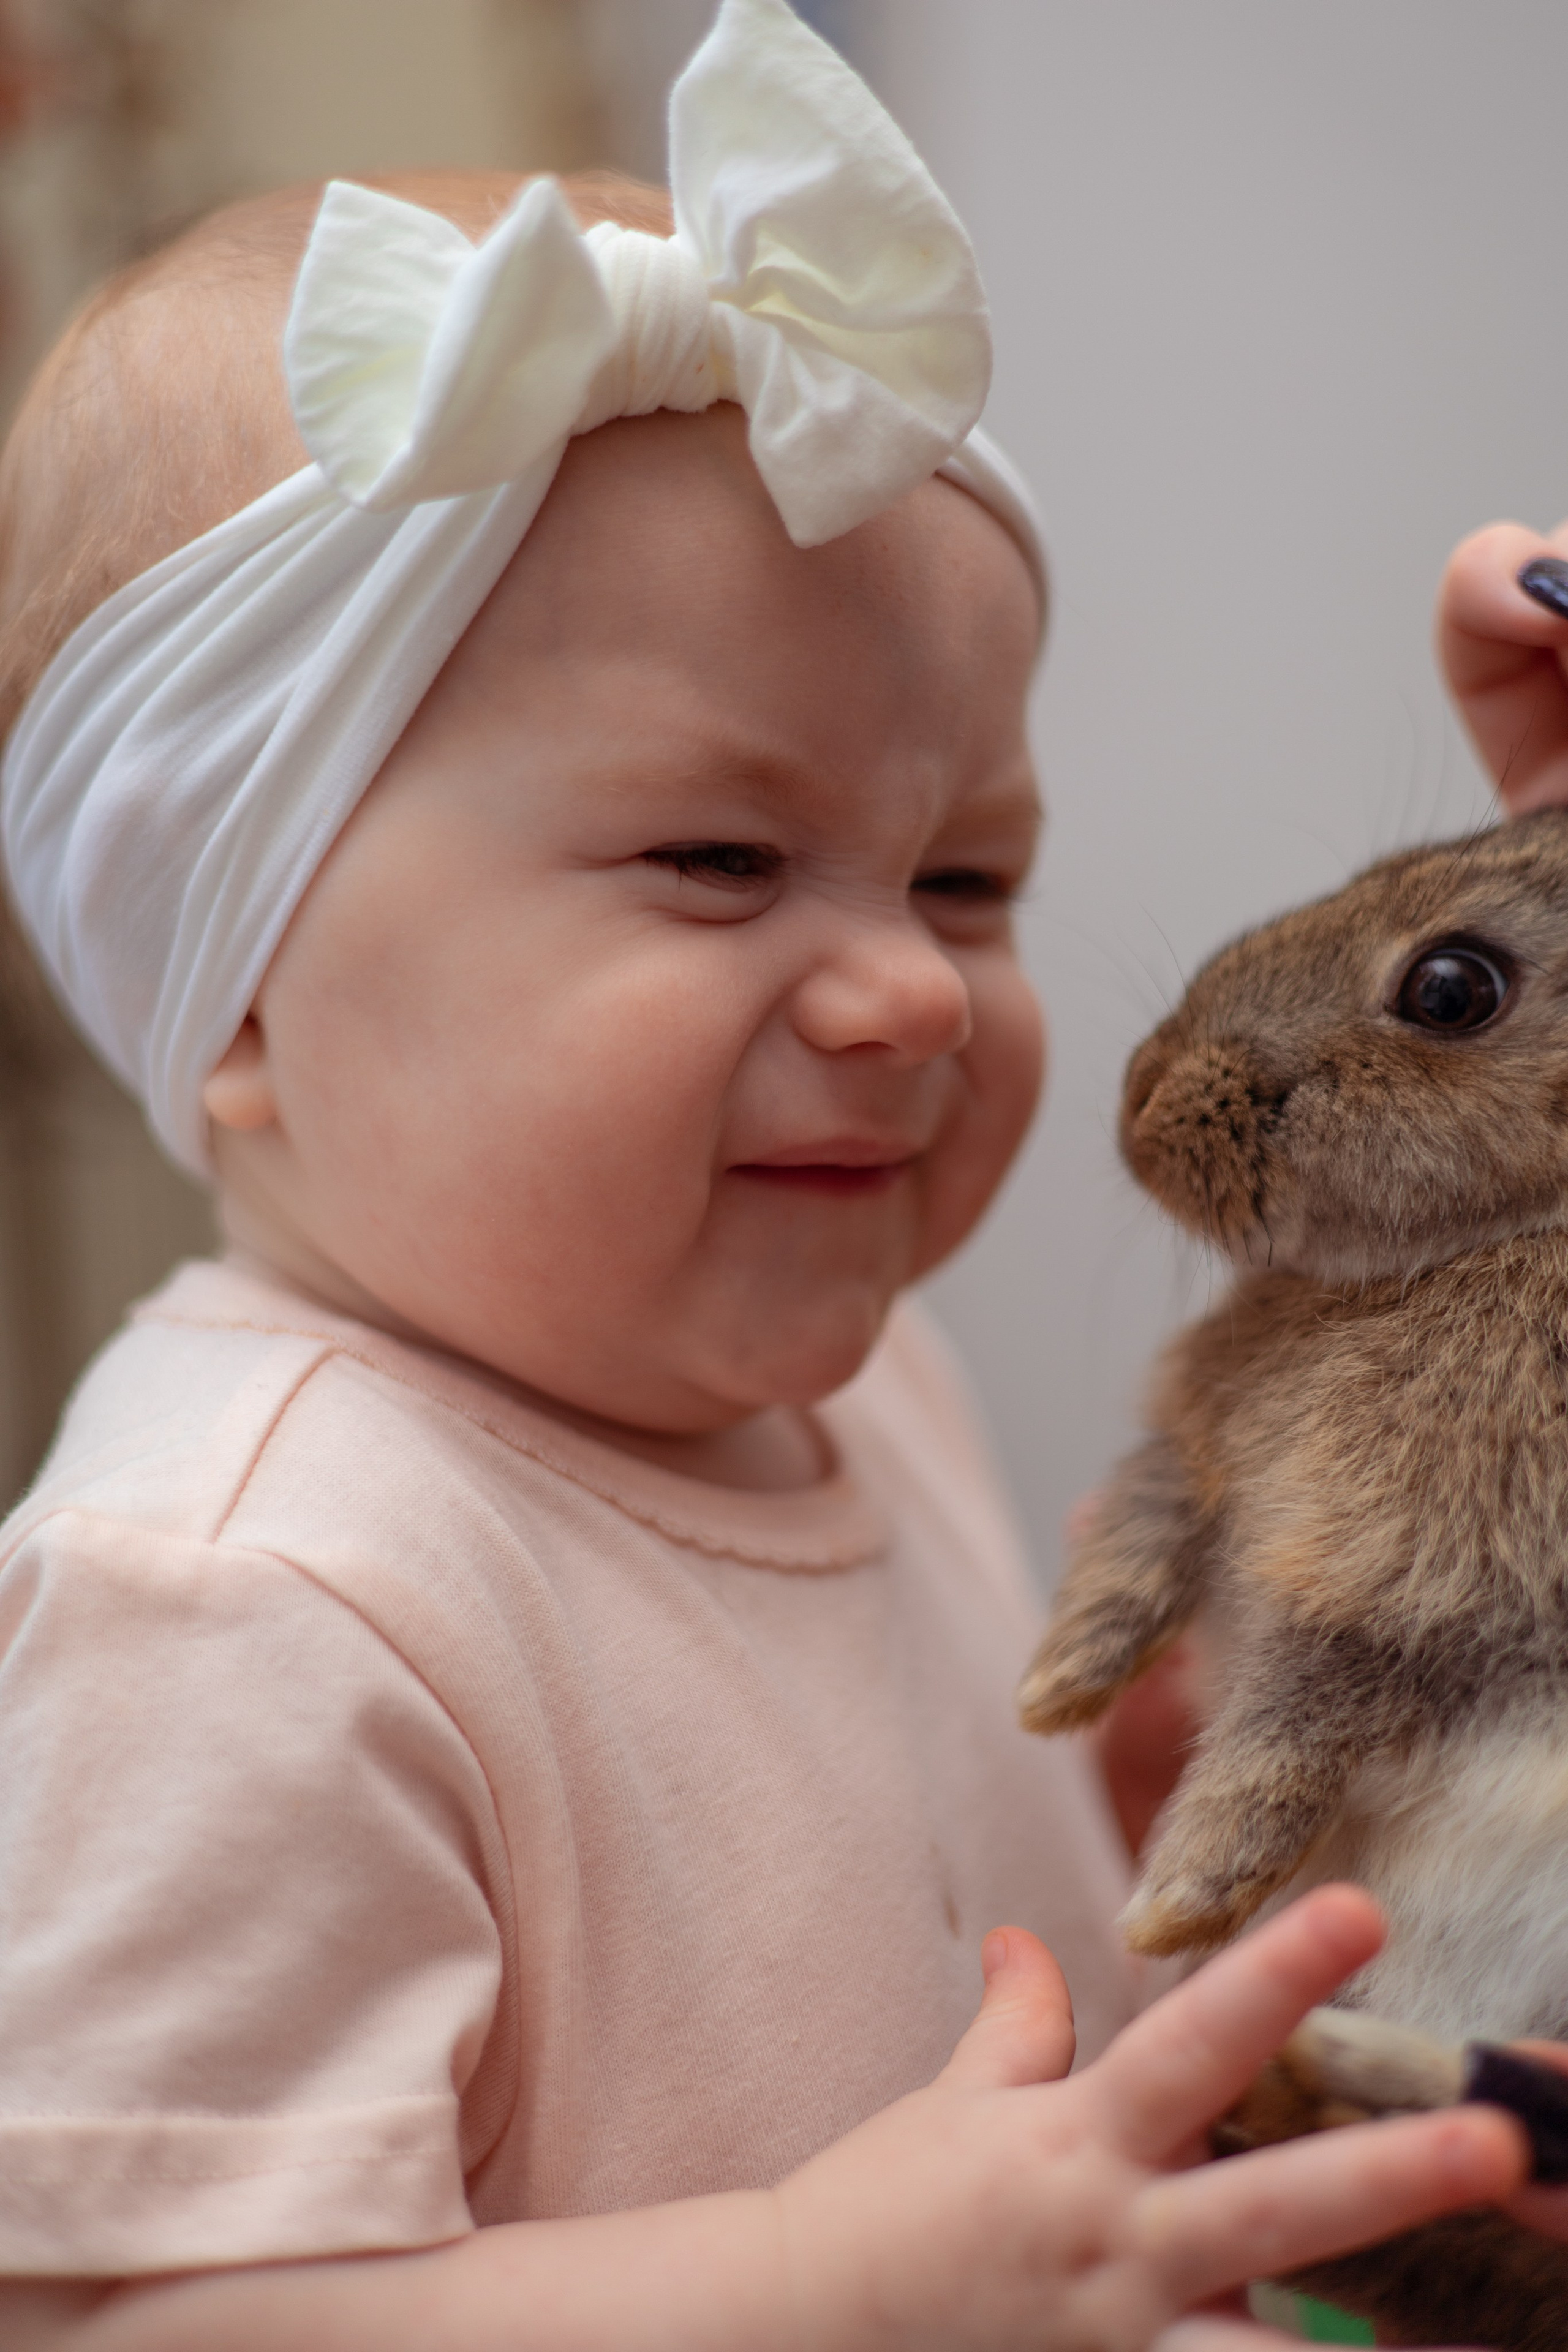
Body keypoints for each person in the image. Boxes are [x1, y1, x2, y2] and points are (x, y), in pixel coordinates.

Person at [0, 5, 1551, 2345]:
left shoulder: (858, 1370)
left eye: (967, 884)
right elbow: (123, 2316)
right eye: (724, 856)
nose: (917, 998)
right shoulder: (244, 1595)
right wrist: (828, 2290)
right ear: (237, 985)